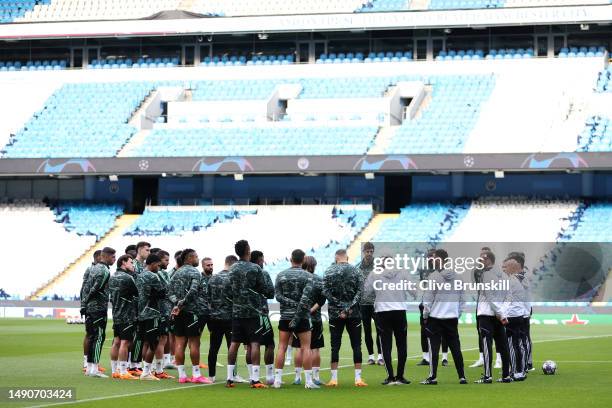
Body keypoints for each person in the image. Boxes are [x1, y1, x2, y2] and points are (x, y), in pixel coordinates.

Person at [225, 240, 274, 389]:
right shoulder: (255, 268)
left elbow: (227, 291)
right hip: (253, 312)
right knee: (255, 343)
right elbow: (266, 290)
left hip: (237, 311)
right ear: (248, 250)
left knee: (234, 343)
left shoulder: (232, 268)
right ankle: (255, 379)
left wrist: (237, 299)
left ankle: (230, 378)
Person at [364, 251, 412, 385]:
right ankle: (401, 376)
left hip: (383, 312)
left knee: (386, 344)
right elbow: (413, 290)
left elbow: (367, 291)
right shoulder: (402, 272)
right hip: (400, 311)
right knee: (402, 344)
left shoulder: (375, 273)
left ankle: (390, 377)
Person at [420, 249, 467, 385]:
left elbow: (428, 298)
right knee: (455, 347)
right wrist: (456, 313)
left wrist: (425, 315)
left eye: (434, 258)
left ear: (440, 259)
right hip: (451, 318)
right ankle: (462, 376)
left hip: (435, 318)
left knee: (433, 348)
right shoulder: (457, 276)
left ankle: (432, 377)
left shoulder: (434, 276)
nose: (433, 260)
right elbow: (463, 298)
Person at [273, 249, 316, 389]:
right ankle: (309, 382)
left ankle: (277, 381)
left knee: (282, 347)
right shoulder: (308, 276)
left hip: (285, 316)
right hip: (302, 316)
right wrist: (298, 306)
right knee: (306, 348)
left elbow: (278, 296)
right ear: (303, 260)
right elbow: (306, 299)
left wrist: (290, 304)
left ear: (290, 259)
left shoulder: (281, 275)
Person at [323, 249, 366, 387]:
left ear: (336, 257)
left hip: (335, 313)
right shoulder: (356, 271)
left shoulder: (329, 271)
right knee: (356, 345)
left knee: (335, 346)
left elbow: (325, 292)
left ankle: (334, 379)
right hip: (354, 313)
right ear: (347, 257)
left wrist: (340, 307)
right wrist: (348, 308)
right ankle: (358, 379)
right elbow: (360, 292)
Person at [169, 249, 212, 384]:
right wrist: (182, 304)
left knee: (180, 343)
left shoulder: (176, 273)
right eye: (197, 257)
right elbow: (193, 291)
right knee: (194, 343)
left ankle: (182, 375)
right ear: (191, 257)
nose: (198, 259)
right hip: (192, 312)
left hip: (178, 313)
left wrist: (177, 304)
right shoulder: (194, 272)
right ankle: (196, 374)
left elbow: (169, 292)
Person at [475, 250, 512, 384]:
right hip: (499, 316)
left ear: (488, 260)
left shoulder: (486, 274)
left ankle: (487, 376)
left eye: (481, 259)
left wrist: (499, 313)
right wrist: (503, 312)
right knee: (503, 345)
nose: (479, 261)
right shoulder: (503, 275)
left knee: (487, 345)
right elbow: (509, 296)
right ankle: (506, 375)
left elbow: (489, 296)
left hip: (487, 314)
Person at [82, 247, 116, 378]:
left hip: (90, 308)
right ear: (105, 256)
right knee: (99, 337)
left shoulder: (92, 268)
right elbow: (95, 289)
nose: (114, 259)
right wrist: (87, 301)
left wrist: (84, 305)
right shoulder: (104, 270)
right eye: (113, 257)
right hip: (98, 308)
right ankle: (95, 368)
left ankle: (90, 368)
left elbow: (85, 288)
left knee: (91, 336)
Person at [292, 256, 325, 386]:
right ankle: (315, 377)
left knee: (299, 348)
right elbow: (322, 300)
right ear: (314, 265)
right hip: (315, 318)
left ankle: (297, 377)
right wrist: (312, 310)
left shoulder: (298, 278)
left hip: (301, 317)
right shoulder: (318, 279)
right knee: (315, 348)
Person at [135, 254, 167, 381]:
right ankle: (146, 372)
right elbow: (163, 291)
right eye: (158, 265)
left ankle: (146, 369)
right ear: (153, 263)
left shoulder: (140, 275)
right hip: (152, 312)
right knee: (153, 343)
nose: (159, 267)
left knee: (146, 342)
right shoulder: (153, 276)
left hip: (141, 312)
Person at [207, 255, 238, 382]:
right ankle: (232, 375)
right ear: (233, 264)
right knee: (232, 347)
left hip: (214, 317)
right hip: (229, 318)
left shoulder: (212, 278)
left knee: (213, 347)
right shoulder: (233, 278)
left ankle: (211, 376)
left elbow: (208, 298)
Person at [109, 254, 139, 380]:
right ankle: (122, 371)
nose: (133, 265)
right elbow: (137, 295)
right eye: (131, 262)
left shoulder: (113, 276)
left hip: (116, 313)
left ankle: (114, 370)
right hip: (127, 314)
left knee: (116, 341)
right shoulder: (127, 278)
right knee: (125, 342)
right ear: (123, 263)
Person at [250, 250, 276, 385]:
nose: (263, 262)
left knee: (249, 344)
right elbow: (271, 293)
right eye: (262, 259)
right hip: (261, 313)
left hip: (244, 314)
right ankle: (270, 375)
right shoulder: (263, 273)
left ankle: (251, 375)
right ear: (259, 260)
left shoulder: (243, 273)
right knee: (269, 344)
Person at [502, 253, 529, 381]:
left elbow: (507, 300)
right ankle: (521, 370)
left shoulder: (510, 281)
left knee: (512, 346)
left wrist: (502, 315)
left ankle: (515, 371)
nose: (504, 269)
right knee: (518, 344)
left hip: (511, 316)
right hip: (519, 314)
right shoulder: (517, 280)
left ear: (512, 268)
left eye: (505, 267)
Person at [357, 242, 383, 366]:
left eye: (371, 251)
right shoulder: (358, 267)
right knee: (367, 330)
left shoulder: (379, 266)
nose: (369, 253)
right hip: (364, 303)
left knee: (380, 330)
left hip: (377, 303)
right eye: (367, 251)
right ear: (363, 252)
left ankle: (381, 356)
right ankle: (371, 356)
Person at [153, 250, 174, 379]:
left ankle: (153, 368)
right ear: (160, 261)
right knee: (161, 340)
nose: (168, 262)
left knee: (159, 340)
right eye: (166, 260)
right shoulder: (160, 274)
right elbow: (168, 290)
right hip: (162, 310)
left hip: (160, 310)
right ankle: (159, 369)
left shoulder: (157, 273)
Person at [80, 250, 102, 373]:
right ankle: (86, 363)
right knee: (90, 334)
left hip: (95, 306)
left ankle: (91, 363)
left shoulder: (98, 269)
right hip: (91, 307)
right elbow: (84, 288)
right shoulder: (90, 270)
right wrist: (83, 305)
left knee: (93, 335)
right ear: (98, 257)